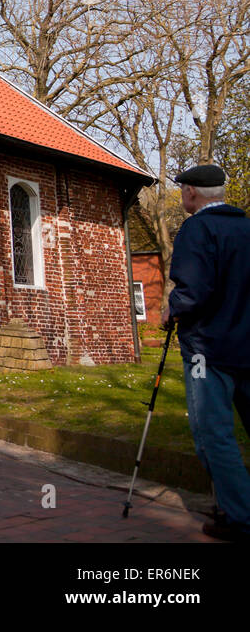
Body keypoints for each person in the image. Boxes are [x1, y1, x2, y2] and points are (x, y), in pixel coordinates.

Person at [163, 164, 250, 542]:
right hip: (247, 345)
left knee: (213, 434)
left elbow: (193, 290)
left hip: (207, 350)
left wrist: (172, 308)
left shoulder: (197, 229)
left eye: (182, 189)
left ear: (191, 193)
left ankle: (239, 515)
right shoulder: (247, 228)